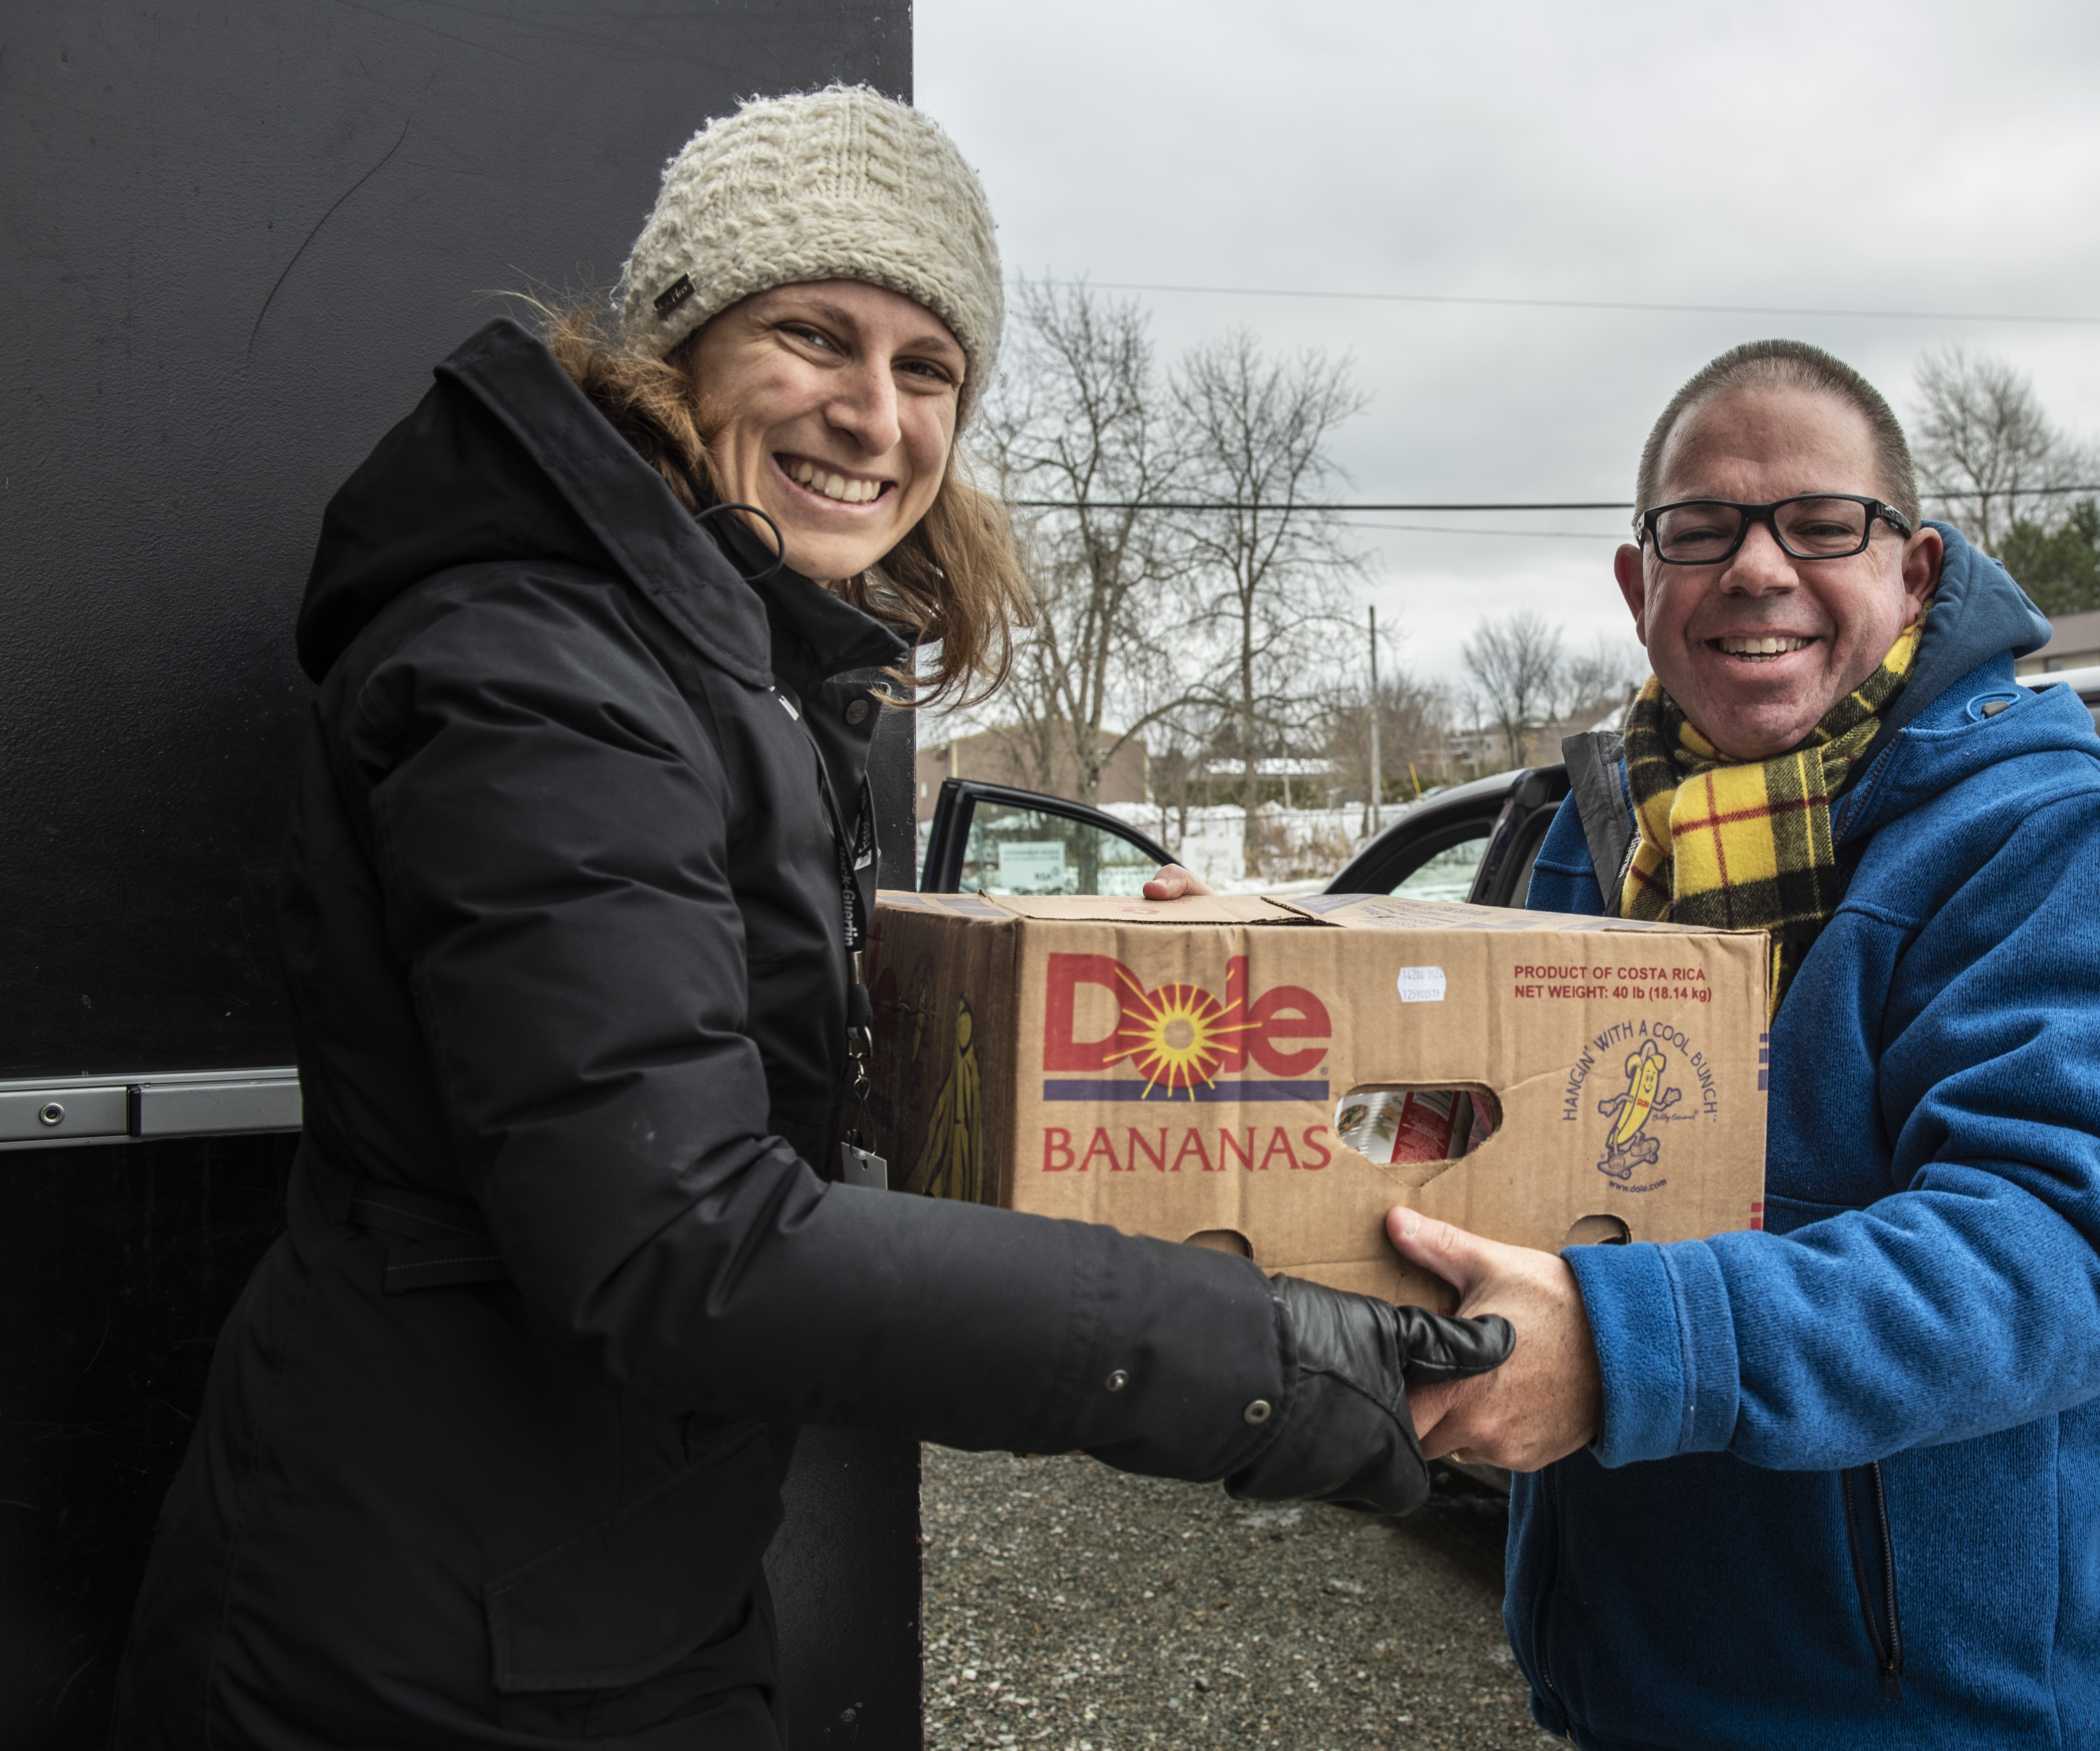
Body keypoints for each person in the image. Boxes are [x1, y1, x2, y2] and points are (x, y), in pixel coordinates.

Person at [113, 85, 1508, 1751]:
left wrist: (1147, 972)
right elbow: (678, 1239)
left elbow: (724, 1052)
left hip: (583, 1579)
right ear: (675, 347)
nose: (873, 414)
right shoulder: (543, 665)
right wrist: (1268, 1363)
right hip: (412, 1634)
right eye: (812, 337)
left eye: (930, 369)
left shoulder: (715, 660)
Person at [1384, 341, 2100, 1749]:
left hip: (1939, 1715)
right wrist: (1251, 980)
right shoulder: (1594, 834)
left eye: (1824, 524)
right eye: (1702, 529)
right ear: (1638, 582)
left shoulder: (2056, 839)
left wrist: (1625, 1348)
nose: (1759, 568)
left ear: (1917, 570)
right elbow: (1475, 1138)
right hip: (1634, 1683)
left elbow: (2058, 1249)